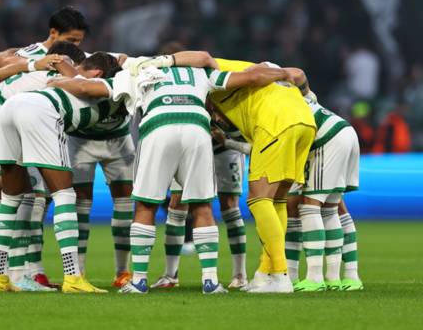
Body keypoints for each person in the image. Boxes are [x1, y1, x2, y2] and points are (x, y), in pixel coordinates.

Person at [49, 51, 294, 294]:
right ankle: (210, 281)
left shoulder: (140, 71)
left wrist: (55, 81)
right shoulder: (201, 72)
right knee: (202, 206)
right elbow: (252, 78)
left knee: (146, 206)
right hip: (197, 128)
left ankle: (139, 280)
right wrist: (284, 73)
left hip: (158, 126)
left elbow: (85, 88)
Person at [0, 52, 119, 293]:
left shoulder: (63, 77)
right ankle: (73, 278)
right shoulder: (101, 86)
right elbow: (84, 84)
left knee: (8, 199)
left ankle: (0, 278)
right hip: (43, 110)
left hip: (11, 107)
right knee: (65, 196)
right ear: (100, 75)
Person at [0, 42, 83, 291]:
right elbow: (78, 79)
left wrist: (31, 63)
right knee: (14, 197)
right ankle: (17, 276)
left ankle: (8, 276)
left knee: (11, 197)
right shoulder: (53, 73)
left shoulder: (26, 69)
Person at [0, 6, 90, 289]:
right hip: (30, 118)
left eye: (79, 42)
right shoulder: (48, 57)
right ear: (53, 34)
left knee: (22, 200)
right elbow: (0, 63)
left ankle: (14, 274)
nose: (76, 47)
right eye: (72, 41)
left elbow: (0, 62)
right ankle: (63, 275)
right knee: (58, 196)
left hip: (7, 117)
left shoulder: (41, 55)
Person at [209, 59, 316, 293]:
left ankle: (280, 274)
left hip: (276, 122)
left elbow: (206, 59)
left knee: (258, 199)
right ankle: (265, 273)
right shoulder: (261, 76)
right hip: (305, 121)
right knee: (276, 199)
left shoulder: (212, 74)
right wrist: (309, 94)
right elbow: (297, 71)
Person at [282, 68, 362, 292]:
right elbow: (299, 76)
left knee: (310, 206)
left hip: (326, 140)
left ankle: (316, 277)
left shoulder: (275, 103)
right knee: (333, 207)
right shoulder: (304, 96)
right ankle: (344, 276)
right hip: (344, 131)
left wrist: (231, 143)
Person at [152, 119, 249, 290]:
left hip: (224, 150)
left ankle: (240, 274)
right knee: (176, 205)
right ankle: (170, 274)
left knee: (230, 207)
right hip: (189, 149)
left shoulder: (224, 93)